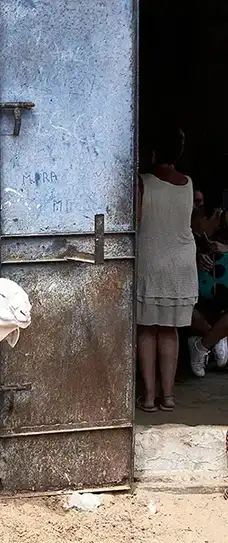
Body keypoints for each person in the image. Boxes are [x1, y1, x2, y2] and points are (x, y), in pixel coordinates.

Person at [136, 127, 198, 412]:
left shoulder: (142, 183)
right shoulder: (188, 184)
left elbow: (136, 221)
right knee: (170, 330)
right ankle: (169, 397)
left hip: (152, 261)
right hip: (182, 263)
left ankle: (149, 398)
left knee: (147, 329)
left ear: (152, 154)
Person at [188, 188, 228, 375]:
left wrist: (225, 247)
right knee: (181, 308)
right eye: (193, 201)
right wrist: (195, 257)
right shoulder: (182, 221)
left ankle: (203, 345)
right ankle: (215, 339)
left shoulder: (223, 219)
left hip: (222, 285)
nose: (196, 205)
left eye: (199, 201)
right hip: (195, 285)